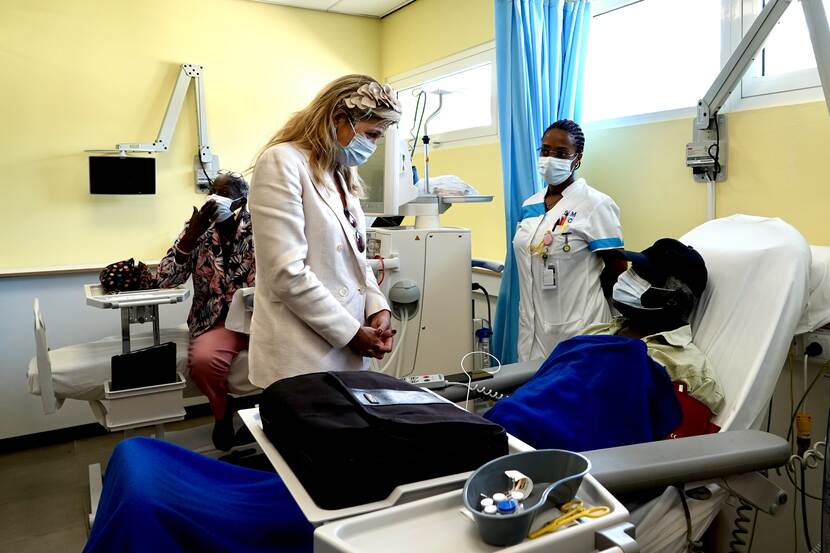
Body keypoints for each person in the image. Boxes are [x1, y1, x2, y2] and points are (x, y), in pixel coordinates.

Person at [485, 238, 725, 451]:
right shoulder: (599, 331)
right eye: (633, 271)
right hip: (504, 425)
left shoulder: (688, 365)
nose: (626, 279)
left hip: (555, 452)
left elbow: (675, 445)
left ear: (673, 299)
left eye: (641, 277)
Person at [247, 75, 398, 387]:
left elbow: (357, 259)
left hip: (348, 347)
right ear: (339, 119)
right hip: (300, 354)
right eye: (371, 135)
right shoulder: (282, 162)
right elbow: (286, 272)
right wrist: (352, 333)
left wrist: (377, 308)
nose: (372, 146)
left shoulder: (340, 174)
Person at [513, 119, 627, 362]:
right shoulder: (529, 205)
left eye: (561, 153)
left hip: (579, 329)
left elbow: (617, 268)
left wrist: (587, 302)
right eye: (545, 150)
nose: (550, 158)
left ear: (577, 159)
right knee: (533, 393)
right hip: (532, 329)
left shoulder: (595, 204)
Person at [156, 170, 255, 450]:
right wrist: (189, 238)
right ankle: (223, 411)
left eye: (224, 193)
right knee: (202, 362)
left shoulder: (264, 225)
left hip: (262, 317)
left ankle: (264, 413)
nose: (216, 198)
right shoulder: (198, 228)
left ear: (242, 201)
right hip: (217, 321)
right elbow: (165, 279)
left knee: (296, 354)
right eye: (213, 191)